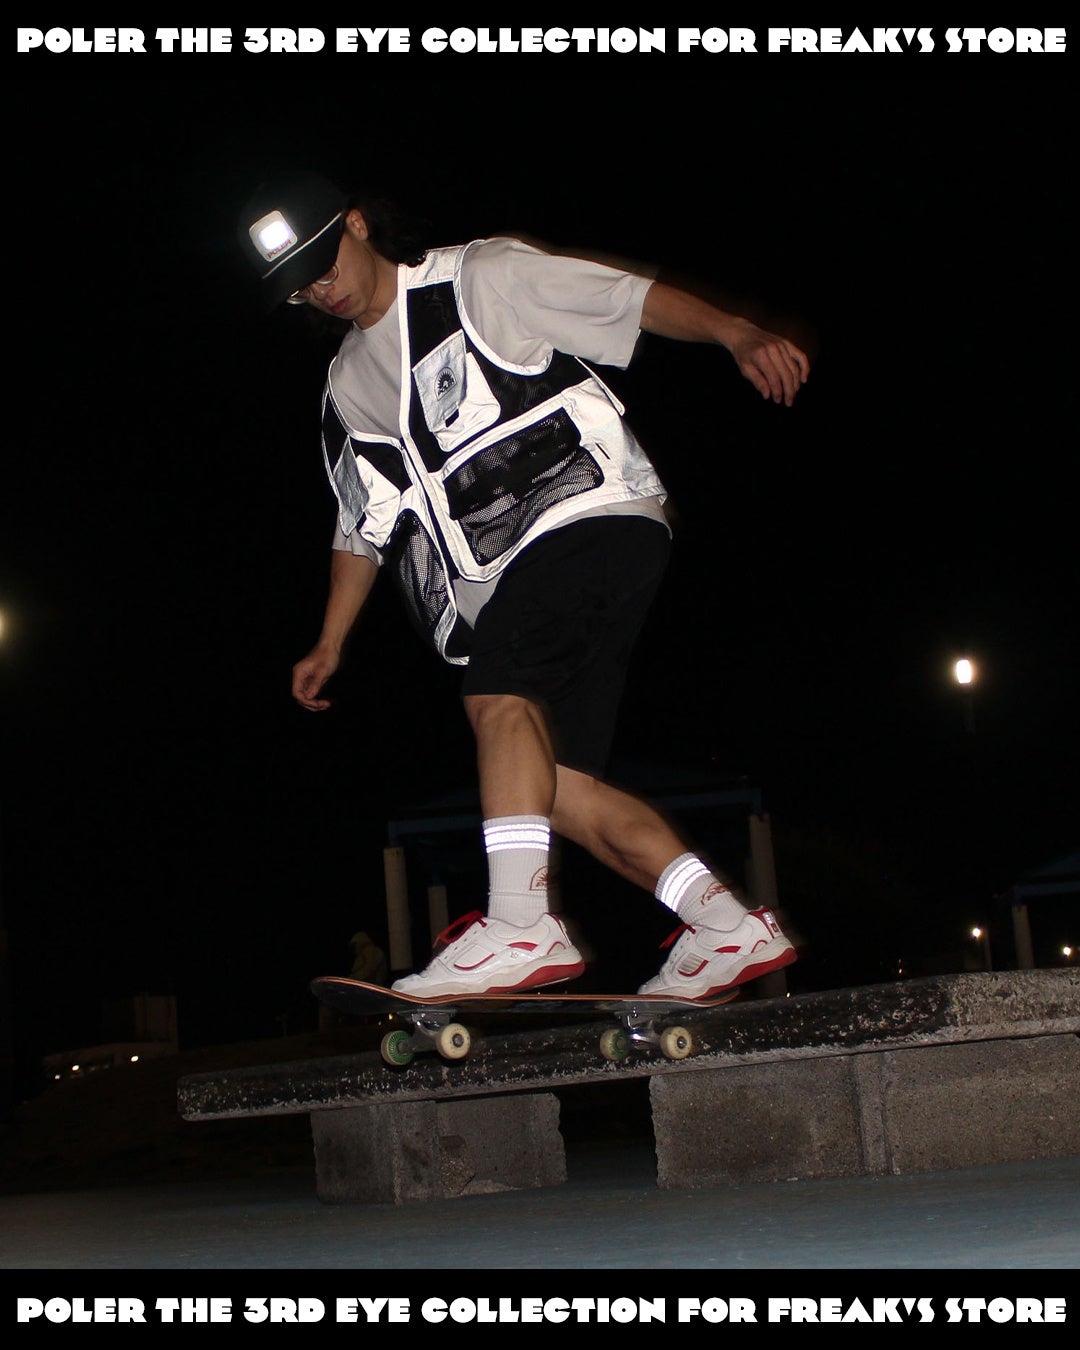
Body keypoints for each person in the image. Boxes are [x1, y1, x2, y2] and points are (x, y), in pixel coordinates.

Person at [238, 170, 809, 1000]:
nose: (323, 290)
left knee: (495, 697)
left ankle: (519, 926)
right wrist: (329, 641)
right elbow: (362, 521)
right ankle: (724, 925)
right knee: (559, 790)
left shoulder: (480, 278)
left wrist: (736, 331)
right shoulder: (347, 386)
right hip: (519, 588)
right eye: (303, 289)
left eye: (326, 265)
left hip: (589, 520)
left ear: (357, 225)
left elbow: (625, 297)